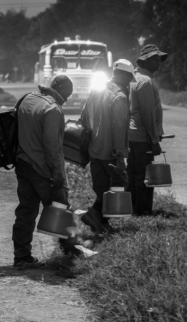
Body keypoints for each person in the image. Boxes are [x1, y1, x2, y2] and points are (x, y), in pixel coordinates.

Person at [13, 75, 73, 267]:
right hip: (41, 169)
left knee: (26, 212)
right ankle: (71, 253)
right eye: (67, 94)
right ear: (60, 88)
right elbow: (51, 147)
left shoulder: (28, 98)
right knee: (61, 207)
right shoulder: (53, 109)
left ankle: (21, 257)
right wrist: (57, 176)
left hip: (22, 163)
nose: (67, 99)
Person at [79, 59, 133, 234]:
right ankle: (94, 216)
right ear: (122, 75)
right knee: (117, 185)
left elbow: (84, 118)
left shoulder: (96, 90)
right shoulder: (119, 97)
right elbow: (119, 129)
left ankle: (101, 224)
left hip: (94, 149)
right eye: (129, 78)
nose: (129, 83)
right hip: (110, 152)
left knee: (101, 187)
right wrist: (120, 156)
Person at [127, 44, 168, 216]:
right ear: (145, 61)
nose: (159, 61)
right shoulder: (144, 82)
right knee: (142, 175)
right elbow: (147, 114)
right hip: (142, 136)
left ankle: (133, 209)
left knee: (135, 173)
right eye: (154, 58)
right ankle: (141, 211)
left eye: (159, 58)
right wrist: (154, 139)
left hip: (135, 136)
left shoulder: (136, 78)